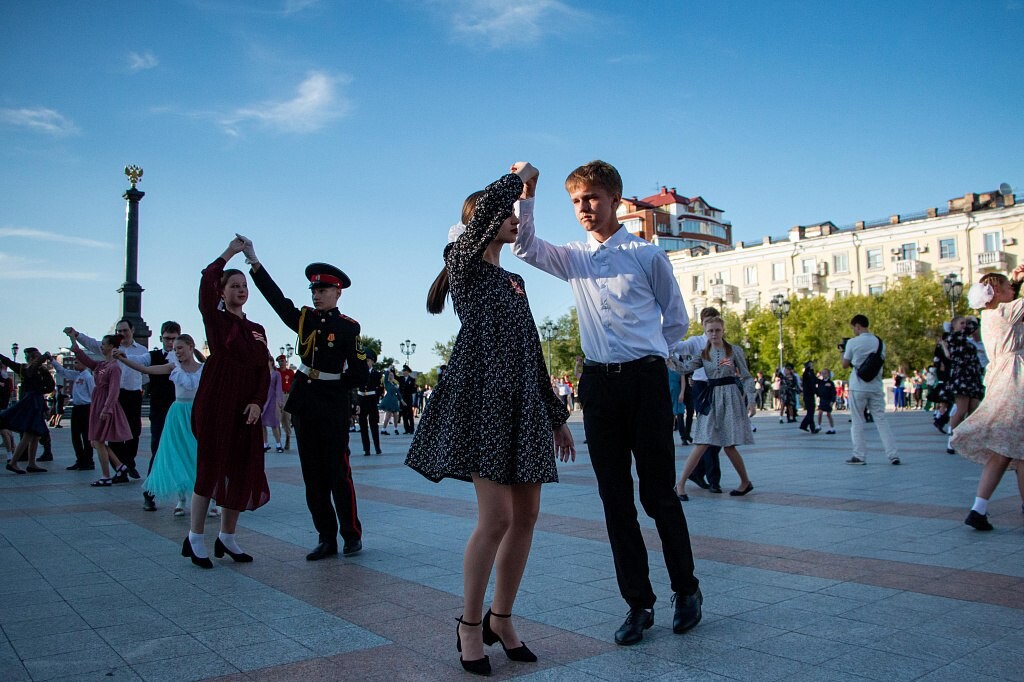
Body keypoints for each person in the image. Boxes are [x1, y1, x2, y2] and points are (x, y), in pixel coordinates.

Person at [511, 159, 702, 646]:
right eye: (576, 201)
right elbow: (525, 247)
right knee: (615, 500)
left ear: (615, 200)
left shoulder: (647, 256)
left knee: (658, 494)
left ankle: (687, 590)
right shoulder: (575, 258)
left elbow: (676, 321)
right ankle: (638, 604)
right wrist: (528, 189)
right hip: (598, 387)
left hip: (644, 382)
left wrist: (647, 350)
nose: (584, 208)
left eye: (592, 198)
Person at [406, 170, 574, 676]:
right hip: (484, 403)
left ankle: (503, 618)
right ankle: (470, 625)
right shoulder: (462, 266)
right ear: (480, 223)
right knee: (496, 519)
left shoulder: (514, 280)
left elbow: (531, 352)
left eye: (512, 212)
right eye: (503, 214)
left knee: (526, 518)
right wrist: (517, 180)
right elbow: (492, 208)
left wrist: (556, 416)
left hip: (522, 404)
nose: (512, 219)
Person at [243, 236, 369, 561]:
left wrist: (341, 384)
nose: (316, 296)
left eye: (323, 290)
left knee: (338, 472)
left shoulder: (348, 328)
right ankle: (326, 537)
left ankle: (351, 535)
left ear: (337, 292)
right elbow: (276, 300)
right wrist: (255, 263)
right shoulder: (305, 320)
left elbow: (358, 373)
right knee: (312, 476)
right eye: (313, 291)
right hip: (304, 402)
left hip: (332, 404)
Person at [185, 238, 272, 569]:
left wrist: (256, 402)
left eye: (244, 285)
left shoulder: (257, 329)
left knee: (241, 468)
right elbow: (207, 279)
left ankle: (227, 536)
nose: (240, 290)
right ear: (222, 293)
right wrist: (231, 253)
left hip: (245, 409)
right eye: (234, 286)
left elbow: (262, 371)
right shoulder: (215, 320)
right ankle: (194, 537)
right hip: (217, 402)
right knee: (210, 465)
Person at [955, 268, 1024, 530]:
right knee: (1011, 447)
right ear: (996, 292)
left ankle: (979, 508)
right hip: (1014, 380)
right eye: (1008, 287)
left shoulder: (991, 314)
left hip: (1005, 377)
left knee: (1013, 448)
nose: (1012, 291)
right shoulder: (1004, 312)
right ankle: (978, 509)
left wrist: (1016, 281)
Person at [117, 334, 204, 516]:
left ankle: (208, 499)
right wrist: (123, 359)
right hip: (178, 414)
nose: (177, 352)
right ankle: (181, 499)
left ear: (190, 346)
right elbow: (145, 369)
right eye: (174, 349)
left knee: (200, 455)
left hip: (197, 413)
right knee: (179, 454)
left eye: (180, 348)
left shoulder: (204, 369)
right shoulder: (174, 367)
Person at [673, 316, 756, 500]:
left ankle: (745, 482)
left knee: (729, 445)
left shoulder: (734, 351)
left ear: (723, 330)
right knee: (702, 441)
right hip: (712, 398)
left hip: (731, 397)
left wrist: (751, 399)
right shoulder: (703, 354)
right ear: (705, 332)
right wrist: (668, 358)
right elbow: (684, 368)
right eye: (710, 331)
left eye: (717, 330)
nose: (714, 334)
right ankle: (680, 484)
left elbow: (747, 376)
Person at [70, 318, 151, 479]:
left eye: (125, 331)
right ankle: (120, 468)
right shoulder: (112, 349)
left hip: (133, 394)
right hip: (115, 395)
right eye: (119, 331)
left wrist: (140, 385)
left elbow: (146, 371)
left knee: (134, 431)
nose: (122, 334)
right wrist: (76, 335)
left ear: (132, 331)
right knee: (113, 433)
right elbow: (92, 345)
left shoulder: (141, 350)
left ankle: (129, 462)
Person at [64, 330, 132, 486]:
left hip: (104, 403)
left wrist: (107, 408)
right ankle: (119, 466)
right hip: (98, 402)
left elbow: (114, 389)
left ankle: (106, 475)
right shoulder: (102, 365)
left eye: (103, 344)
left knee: (98, 440)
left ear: (111, 346)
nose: (101, 347)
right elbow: (84, 359)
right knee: (96, 441)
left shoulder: (114, 367)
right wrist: (73, 339)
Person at [841, 315, 899, 465]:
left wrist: (842, 351)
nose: (853, 330)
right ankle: (892, 454)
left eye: (854, 328)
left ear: (858, 326)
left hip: (858, 386)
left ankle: (859, 455)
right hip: (875, 386)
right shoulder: (879, 342)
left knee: (857, 420)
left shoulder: (853, 342)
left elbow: (845, 364)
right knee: (881, 420)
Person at [143, 321, 184, 511]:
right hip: (160, 411)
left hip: (181, 412)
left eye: (175, 339)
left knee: (184, 452)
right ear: (161, 338)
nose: (170, 342)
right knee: (158, 450)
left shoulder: (185, 357)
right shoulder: (153, 357)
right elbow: (139, 361)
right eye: (167, 338)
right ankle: (149, 494)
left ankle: (182, 498)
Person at [0, 347, 55, 474]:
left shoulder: (41, 371)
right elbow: (8, 361)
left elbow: (50, 386)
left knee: (35, 435)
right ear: (32, 359)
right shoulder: (25, 369)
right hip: (30, 403)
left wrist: (42, 383)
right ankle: (13, 462)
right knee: (29, 433)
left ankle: (31, 463)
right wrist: (43, 358)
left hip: (36, 402)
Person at [946, 316, 985, 454]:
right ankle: (951, 439)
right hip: (961, 377)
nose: (964, 325)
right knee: (961, 409)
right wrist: (971, 319)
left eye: (965, 323)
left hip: (973, 376)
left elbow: (975, 330)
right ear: (954, 326)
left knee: (973, 409)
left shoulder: (967, 340)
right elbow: (973, 327)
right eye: (961, 323)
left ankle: (968, 439)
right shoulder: (954, 338)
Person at [50, 355, 96, 470]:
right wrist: (52, 361)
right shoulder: (77, 375)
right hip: (77, 407)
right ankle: (80, 459)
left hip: (86, 407)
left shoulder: (88, 377)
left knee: (86, 436)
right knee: (75, 435)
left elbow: (93, 394)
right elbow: (63, 371)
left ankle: (88, 460)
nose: (75, 364)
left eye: (77, 362)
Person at [356, 350, 383, 456]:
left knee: (374, 425)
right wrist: (357, 403)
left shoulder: (377, 374)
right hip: (362, 399)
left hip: (371, 400)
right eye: (364, 360)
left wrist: (376, 398)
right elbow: (356, 388)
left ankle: (377, 447)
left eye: (368, 360)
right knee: (363, 426)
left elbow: (380, 389)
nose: (366, 363)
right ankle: (366, 449)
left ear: (373, 362)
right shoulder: (359, 373)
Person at [262, 358, 284, 453]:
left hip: (272, 400)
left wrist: (279, 400)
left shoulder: (276, 374)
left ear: (271, 362)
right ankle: (265, 444)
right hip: (263, 400)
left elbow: (279, 387)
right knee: (262, 424)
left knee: (274, 424)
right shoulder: (262, 373)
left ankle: (278, 444)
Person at [275, 355, 295, 451]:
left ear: (285, 361)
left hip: (287, 396)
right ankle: (278, 441)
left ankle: (288, 438)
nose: (281, 363)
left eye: (282, 361)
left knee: (287, 417)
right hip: (278, 396)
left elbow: (294, 384)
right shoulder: (276, 372)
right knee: (277, 418)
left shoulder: (290, 372)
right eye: (279, 361)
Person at [378, 368, 402, 435]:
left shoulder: (394, 384)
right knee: (388, 415)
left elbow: (398, 393)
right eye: (390, 375)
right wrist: (388, 370)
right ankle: (383, 429)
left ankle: (395, 428)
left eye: (392, 375)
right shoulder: (387, 383)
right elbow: (385, 376)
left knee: (396, 415)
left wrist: (402, 400)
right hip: (389, 400)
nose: (391, 376)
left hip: (394, 400)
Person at [799, 361, 820, 433]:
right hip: (808, 395)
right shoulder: (806, 374)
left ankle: (809, 427)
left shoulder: (810, 373)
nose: (812, 366)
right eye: (811, 365)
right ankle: (806, 426)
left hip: (810, 394)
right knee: (811, 412)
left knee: (810, 412)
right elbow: (812, 382)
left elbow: (815, 380)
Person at [816, 368, 837, 434]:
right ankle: (819, 426)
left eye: (825, 373)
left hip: (828, 400)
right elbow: (818, 390)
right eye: (822, 373)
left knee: (828, 414)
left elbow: (833, 393)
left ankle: (832, 428)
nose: (824, 374)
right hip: (822, 400)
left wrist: (832, 401)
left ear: (828, 374)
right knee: (820, 412)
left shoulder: (831, 383)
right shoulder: (820, 382)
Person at [398, 365, 417, 434]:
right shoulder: (401, 378)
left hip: (409, 399)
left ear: (408, 372)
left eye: (405, 371)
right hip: (402, 400)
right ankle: (406, 429)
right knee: (404, 415)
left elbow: (414, 389)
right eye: (403, 371)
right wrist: (392, 370)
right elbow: (395, 376)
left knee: (410, 415)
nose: (403, 372)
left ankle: (411, 429)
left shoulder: (412, 380)